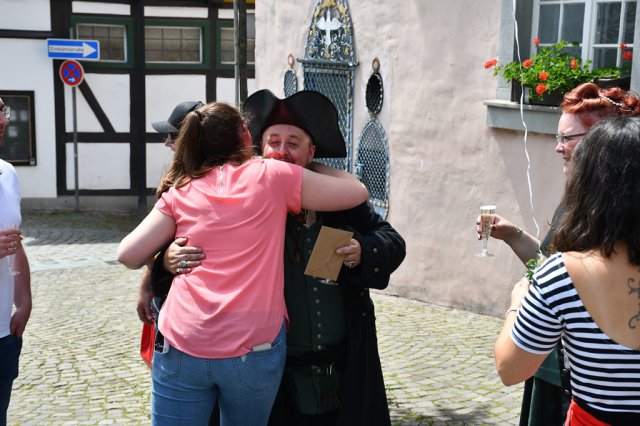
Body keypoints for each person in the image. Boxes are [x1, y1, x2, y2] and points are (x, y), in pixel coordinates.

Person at [151, 89, 405, 425]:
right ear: (259, 149)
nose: (282, 151)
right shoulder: (244, 202)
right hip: (272, 374)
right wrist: (165, 259)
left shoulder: (340, 201)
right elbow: (189, 250)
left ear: (311, 153)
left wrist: (362, 250)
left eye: (293, 143)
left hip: (344, 369)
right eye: (274, 143)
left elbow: (391, 240)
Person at [477, 82, 640, 425]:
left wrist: (518, 303)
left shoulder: (561, 275)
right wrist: (515, 236)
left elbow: (509, 367)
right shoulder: (560, 268)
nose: (558, 147)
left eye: (567, 138)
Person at [136, 100, 204, 327]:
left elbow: (132, 254)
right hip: (168, 289)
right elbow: (154, 244)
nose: (167, 143)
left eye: (173, 136)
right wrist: (146, 284)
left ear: (191, 139)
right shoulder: (174, 179)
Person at [0, 97, 32, 426]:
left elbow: (15, 242)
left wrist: (23, 301)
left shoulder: (7, 173)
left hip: (3, 334)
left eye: (2, 110)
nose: (4, 120)